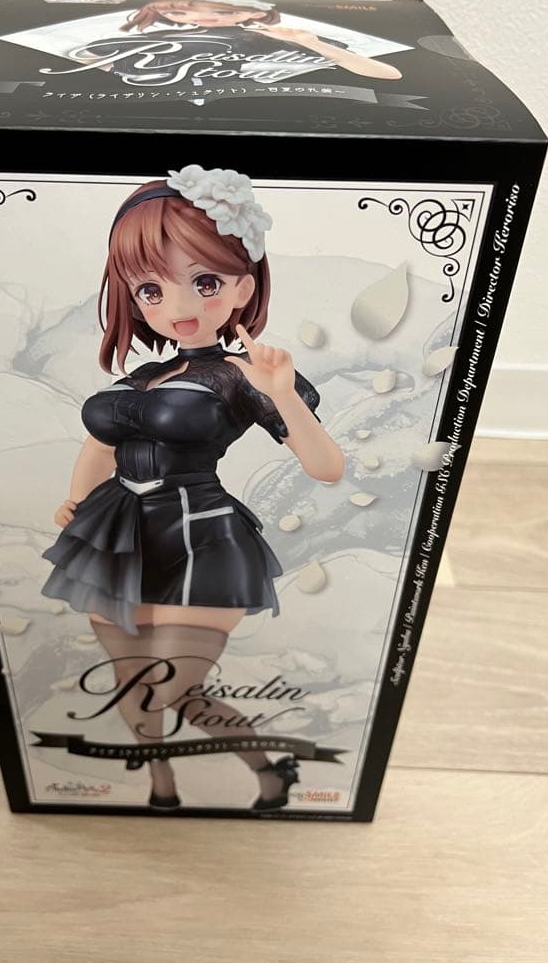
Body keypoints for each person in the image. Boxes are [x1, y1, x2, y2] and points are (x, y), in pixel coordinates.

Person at [40, 164, 345, 810]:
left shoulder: (244, 374)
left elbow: (326, 467)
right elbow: (100, 445)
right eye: (151, 289)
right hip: (115, 535)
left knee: (178, 687)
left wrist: (285, 395)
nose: (177, 307)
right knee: (132, 682)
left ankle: (268, 771)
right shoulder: (141, 377)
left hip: (200, 537)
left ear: (243, 286)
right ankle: (162, 786)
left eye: (204, 282)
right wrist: (77, 501)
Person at [60, 0, 404, 82]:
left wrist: (310, 42)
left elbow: (388, 74)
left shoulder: (285, 37)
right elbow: (87, 58)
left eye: (224, 12)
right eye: (179, 13)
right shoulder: (164, 37)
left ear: (251, 12)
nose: (202, 18)